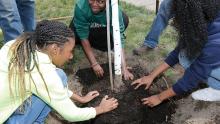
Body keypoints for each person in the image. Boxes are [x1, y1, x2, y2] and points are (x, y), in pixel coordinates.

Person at [0, 20, 118, 123]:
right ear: (55, 49)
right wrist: (100, 109)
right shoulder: (43, 74)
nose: (71, 56)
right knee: (57, 77)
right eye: (70, 51)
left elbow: (51, 87)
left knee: (59, 75)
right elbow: (72, 115)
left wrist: (80, 98)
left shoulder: (16, 45)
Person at [131, 0, 220, 107]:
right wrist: (151, 76)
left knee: (187, 59)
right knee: (186, 53)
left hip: (215, 52)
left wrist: (159, 97)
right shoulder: (206, 19)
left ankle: (217, 88)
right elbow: (179, 49)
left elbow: (192, 77)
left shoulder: (215, 44)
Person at [70, 0, 134, 80]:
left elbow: (119, 38)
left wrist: (124, 68)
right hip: (85, 25)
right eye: (91, 0)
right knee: (72, 35)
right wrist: (94, 64)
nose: (94, 4)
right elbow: (83, 36)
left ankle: (97, 42)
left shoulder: (114, 10)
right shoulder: (81, 7)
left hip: (102, 25)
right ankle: (83, 42)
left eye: (100, 1)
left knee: (124, 19)